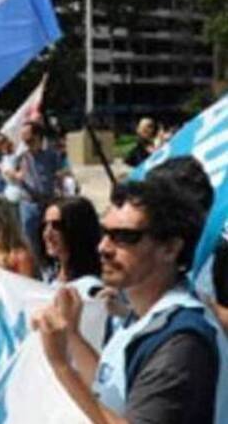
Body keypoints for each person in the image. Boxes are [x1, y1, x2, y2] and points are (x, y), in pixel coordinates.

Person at [33, 177, 228, 424]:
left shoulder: (181, 340)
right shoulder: (144, 316)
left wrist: (61, 365)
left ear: (170, 249)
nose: (104, 247)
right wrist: (72, 334)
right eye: (105, 233)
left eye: (124, 236)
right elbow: (110, 390)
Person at [7, 120, 64, 269]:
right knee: (30, 240)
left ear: (38, 136)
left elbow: (59, 177)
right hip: (29, 205)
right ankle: (36, 269)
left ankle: (52, 266)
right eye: (23, 137)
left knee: (51, 237)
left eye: (28, 136)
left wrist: (62, 194)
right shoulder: (21, 156)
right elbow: (7, 172)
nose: (25, 140)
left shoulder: (52, 155)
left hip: (48, 203)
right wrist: (14, 175)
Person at [42, 197, 101, 290]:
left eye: (57, 226)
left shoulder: (93, 287)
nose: (47, 234)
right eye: (45, 225)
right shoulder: (49, 275)